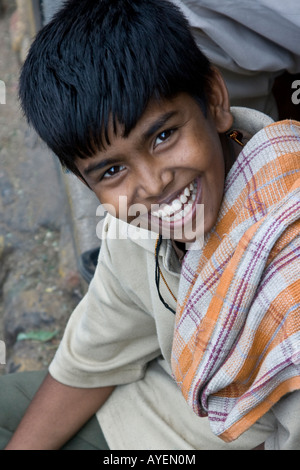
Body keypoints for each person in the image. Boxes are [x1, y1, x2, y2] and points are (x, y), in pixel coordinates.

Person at [1, 0, 299, 450]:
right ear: (87, 184)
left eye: (163, 136)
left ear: (215, 102)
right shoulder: (137, 222)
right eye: (111, 171)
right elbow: (95, 354)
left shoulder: (286, 275)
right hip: (144, 402)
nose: (153, 184)